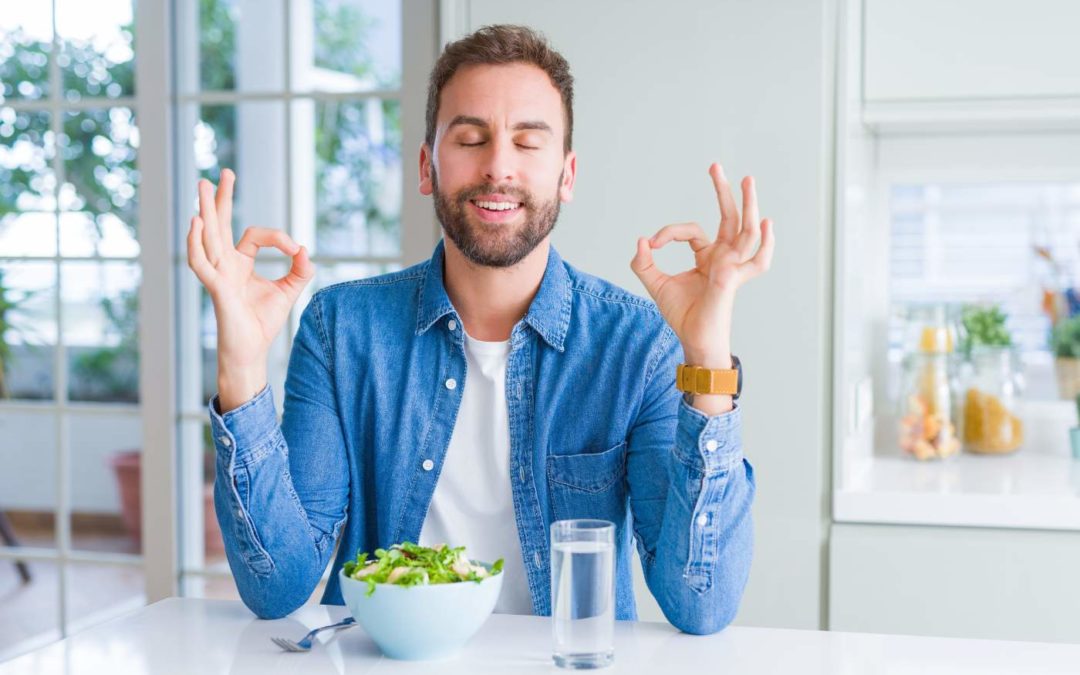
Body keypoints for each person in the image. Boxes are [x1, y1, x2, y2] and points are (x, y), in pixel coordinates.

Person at [187, 24, 774, 634]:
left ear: (566, 175)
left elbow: (700, 605)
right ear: (427, 166)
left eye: (528, 142)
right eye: (471, 138)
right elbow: (277, 586)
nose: (498, 167)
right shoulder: (341, 329)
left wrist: (707, 353)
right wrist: (241, 365)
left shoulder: (637, 345)